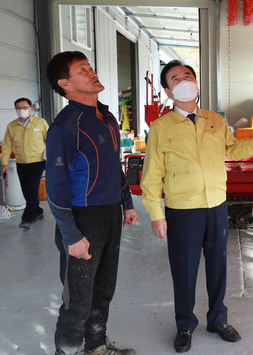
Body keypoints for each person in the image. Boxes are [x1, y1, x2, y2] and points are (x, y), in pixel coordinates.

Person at [140, 60, 253, 353]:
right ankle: (185, 324)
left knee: (218, 266)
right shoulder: (160, 128)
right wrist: (156, 215)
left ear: (196, 83)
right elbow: (151, 176)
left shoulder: (215, 120)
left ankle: (217, 320)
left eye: (187, 75)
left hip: (216, 205)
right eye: (175, 78)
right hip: (183, 209)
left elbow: (233, 151)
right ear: (168, 92)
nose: (183, 80)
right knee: (183, 270)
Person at [45, 51, 139, 355]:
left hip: (111, 214)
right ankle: (67, 350)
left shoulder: (107, 117)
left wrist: (126, 203)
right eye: (82, 70)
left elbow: (114, 165)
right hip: (82, 218)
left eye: (90, 67)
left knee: (103, 289)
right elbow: (56, 187)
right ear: (65, 84)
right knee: (78, 298)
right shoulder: (65, 125)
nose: (92, 72)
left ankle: (95, 346)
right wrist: (71, 235)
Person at [0, 97, 48, 228]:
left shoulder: (40, 123)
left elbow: (49, 141)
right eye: (19, 108)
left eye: (25, 107)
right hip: (21, 162)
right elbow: (6, 146)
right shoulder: (12, 126)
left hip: (37, 162)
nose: (22, 110)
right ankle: (38, 211)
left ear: (31, 108)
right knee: (27, 191)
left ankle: (28, 218)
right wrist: (4, 163)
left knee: (31, 190)